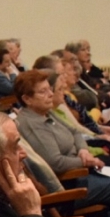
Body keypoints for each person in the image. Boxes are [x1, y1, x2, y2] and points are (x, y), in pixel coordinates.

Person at [14, 70, 110, 209]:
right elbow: (56, 163)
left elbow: (75, 132)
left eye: (49, 89)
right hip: (68, 186)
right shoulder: (30, 123)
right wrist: (87, 161)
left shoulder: (47, 113)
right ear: (27, 99)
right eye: (43, 92)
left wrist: (83, 151)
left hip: (81, 175)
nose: (50, 94)